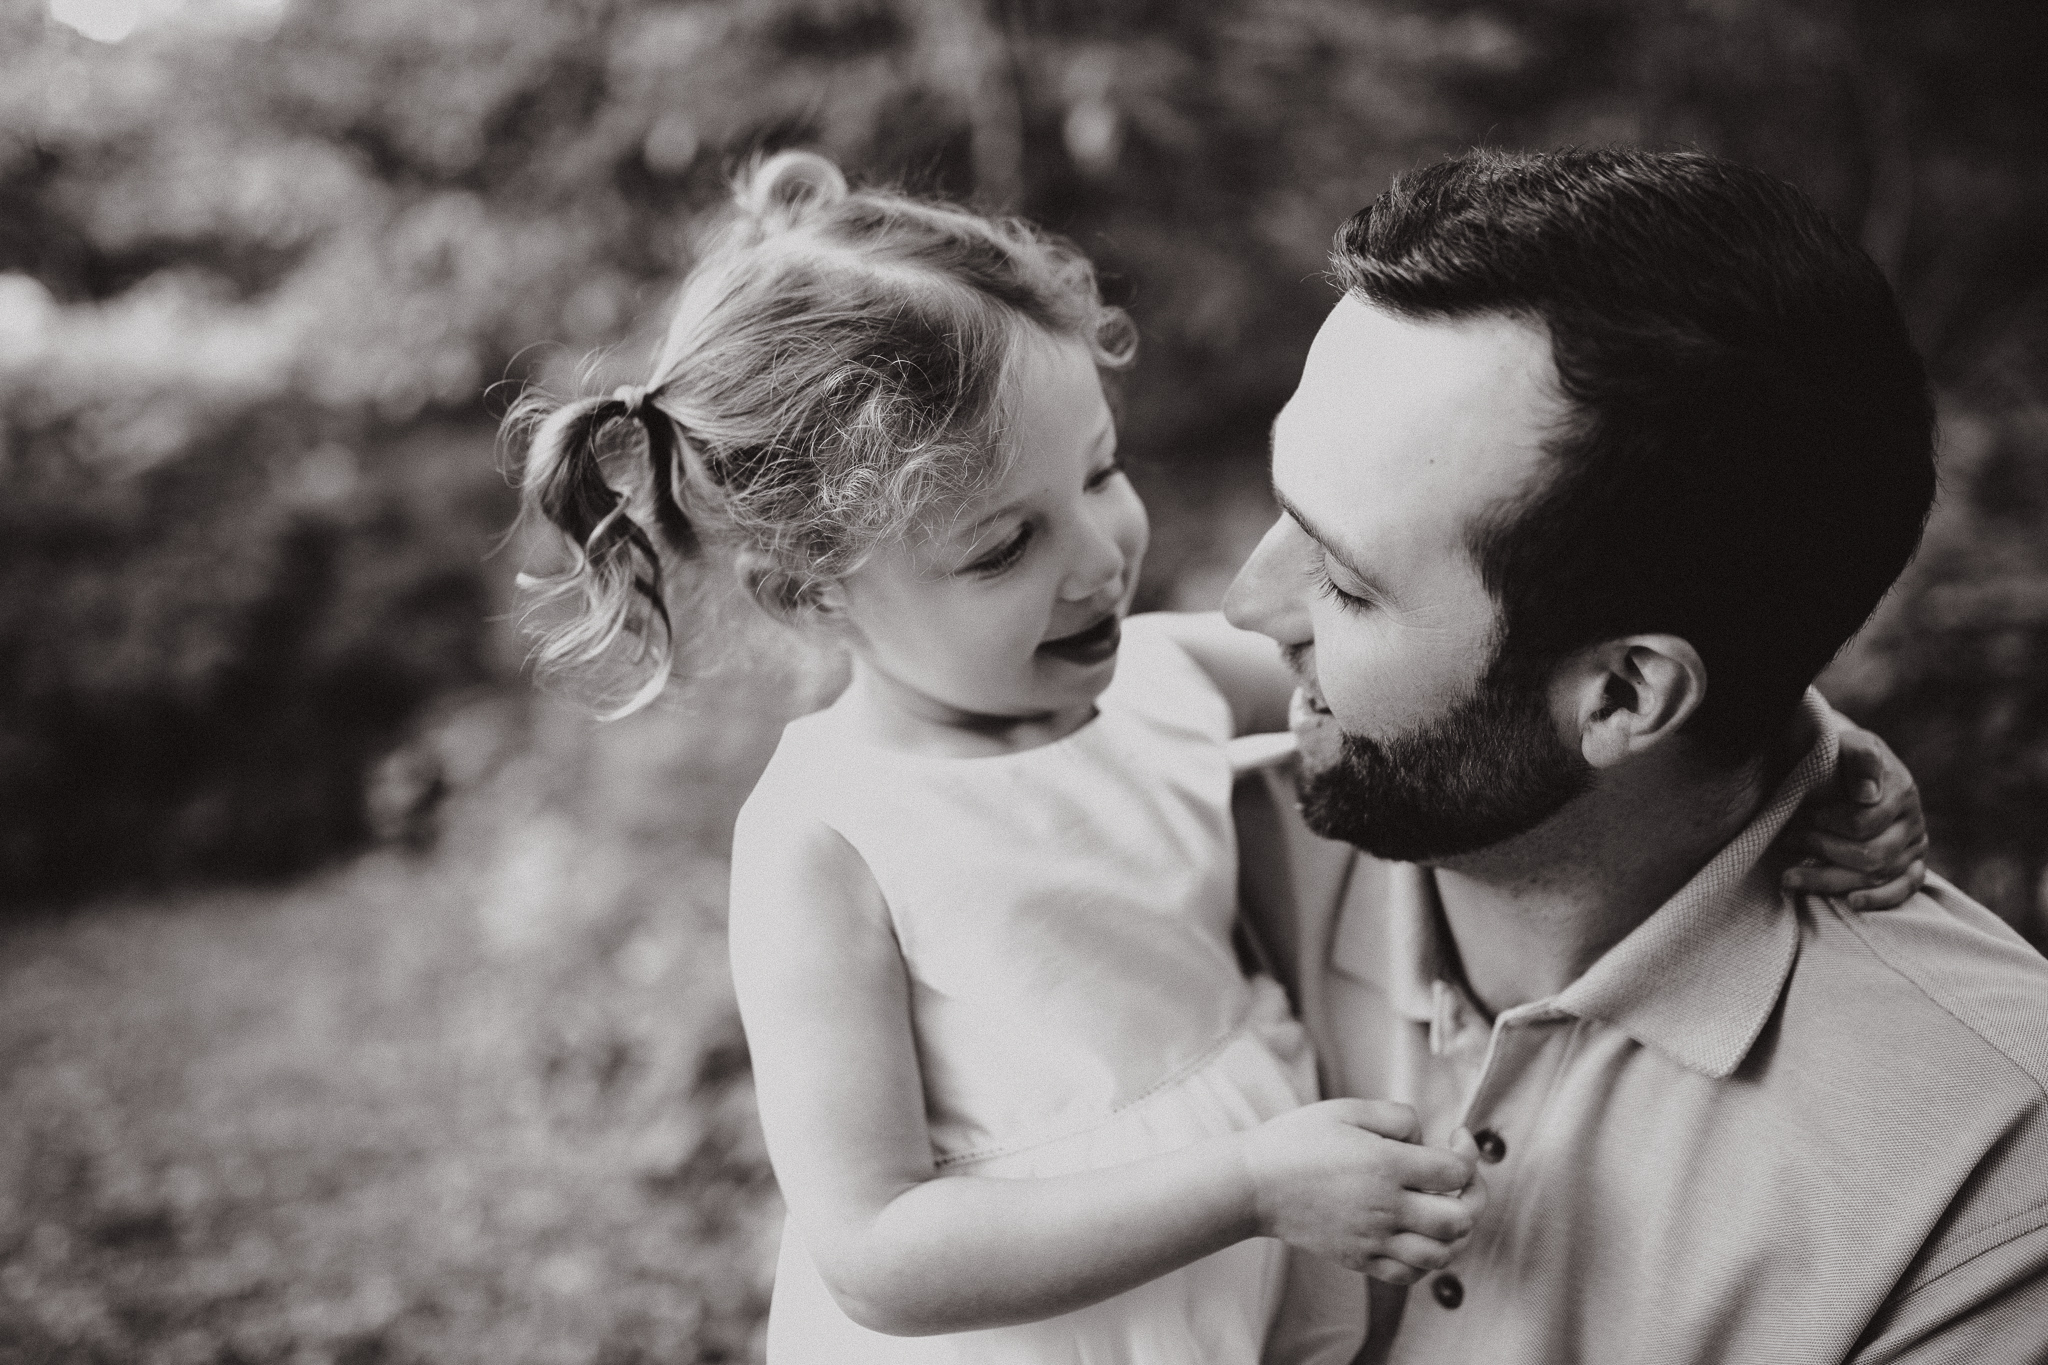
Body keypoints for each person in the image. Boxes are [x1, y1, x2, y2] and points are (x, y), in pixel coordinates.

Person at [502, 150, 1928, 1365]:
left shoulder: (1164, 675)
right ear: (813, 592)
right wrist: (1244, 1183)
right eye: (1004, 545)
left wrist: (1792, 735)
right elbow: (875, 1245)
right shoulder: (831, 834)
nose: (1100, 557)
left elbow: (1535, 689)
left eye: (1100, 472)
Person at [1221, 146, 2048, 1363]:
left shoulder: (1984, 1171)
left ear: (1622, 693)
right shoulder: (1171, 817)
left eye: (1342, 582)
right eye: (1283, 508)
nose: (1246, 603)